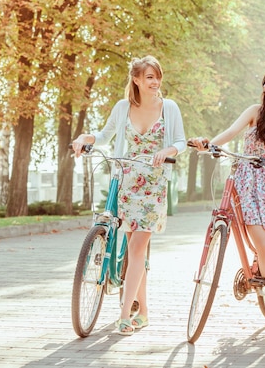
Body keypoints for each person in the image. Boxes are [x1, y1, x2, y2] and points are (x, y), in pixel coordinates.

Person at [189, 65, 265, 336]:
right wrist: (209, 144)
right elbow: (228, 133)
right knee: (263, 249)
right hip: (248, 187)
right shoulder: (255, 113)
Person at [71, 55, 186, 335]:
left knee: (135, 250)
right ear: (136, 79)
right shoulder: (123, 107)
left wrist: (166, 151)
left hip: (153, 186)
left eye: (157, 76)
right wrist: (84, 138)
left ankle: (124, 314)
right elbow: (103, 136)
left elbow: (180, 141)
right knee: (136, 254)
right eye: (149, 77)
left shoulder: (168, 108)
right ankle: (143, 312)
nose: (155, 82)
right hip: (127, 182)